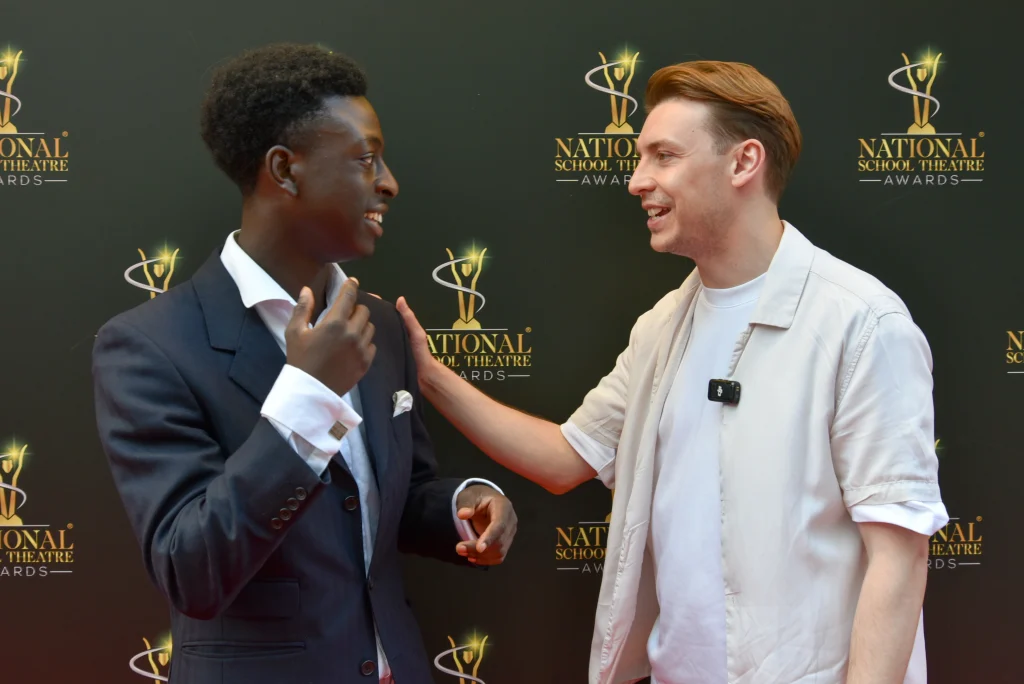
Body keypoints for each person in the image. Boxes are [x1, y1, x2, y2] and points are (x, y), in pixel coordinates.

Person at [396, 60, 947, 684]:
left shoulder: (863, 323)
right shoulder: (660, 326)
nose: (637, 182)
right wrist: (428, 375)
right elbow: (564, 459)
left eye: (664, 156)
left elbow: (900, 557)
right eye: (641, 158)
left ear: (743, 162)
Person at [93, 43, 517, 684]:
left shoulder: (378, 326)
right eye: (366, 159)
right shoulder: (149, 346)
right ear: (284, 170)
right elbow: (191, 569)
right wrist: (309, 394)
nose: (389, 183)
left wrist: (465, 503)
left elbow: (391, 498)